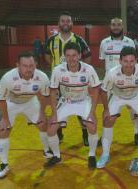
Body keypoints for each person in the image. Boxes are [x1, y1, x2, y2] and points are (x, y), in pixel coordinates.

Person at [96, 47, 138, 168]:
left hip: (136, 96)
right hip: (117, 96)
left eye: (131, 61)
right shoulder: (112, 73)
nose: (129, 65)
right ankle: (105, 154)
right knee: (108, 120)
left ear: (136, 60)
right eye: (125, 61)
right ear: (120, 61)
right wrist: (106, 110)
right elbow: (104, 91)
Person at [45, 42, 101, 168]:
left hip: (83, 101)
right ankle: (57, 156)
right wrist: (54, 113)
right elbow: (53, 91)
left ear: (80, 55)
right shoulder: (58, 70)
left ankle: (91, 155)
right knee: (51, 130)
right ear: (64, 57)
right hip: (66, 102)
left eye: (74, 55)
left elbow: (96, 89)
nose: (71, 59)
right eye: (68, 56)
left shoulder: (88, 69)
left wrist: (92, 112)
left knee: (92, 127)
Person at [0, 51, 50, 179]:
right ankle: (4, 164)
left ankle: (47, 151)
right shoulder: (7, 78)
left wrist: (42, 114)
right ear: (18, 66)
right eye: (25, 66)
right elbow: (1, 100)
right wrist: (4, 118)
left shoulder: (42, 77)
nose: (29, 69)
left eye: (31, 65)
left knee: (43, 124)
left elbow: (44, 97)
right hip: (10, 103)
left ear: (35, 64)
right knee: (3, 130)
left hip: (30, 102)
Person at [44, 11, 92, 144]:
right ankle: (59, 134)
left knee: (79, 106)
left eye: (68, 21)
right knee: (58, 107)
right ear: (59, 23)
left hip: (75, 81)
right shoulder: (51, 40)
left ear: (72, 23)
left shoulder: (78, 39)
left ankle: (85, 134)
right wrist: (58, 69)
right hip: (58, 82)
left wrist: (80, 73)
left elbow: (88, 56)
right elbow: (47, 56)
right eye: (63, 21)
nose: (65, 23)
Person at [99, 17, 138, 145]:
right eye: (113, 25)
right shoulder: (104, 43)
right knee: (108, 110)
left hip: (129, 80)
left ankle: (136, 132)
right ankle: (104, 135)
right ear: (110, 27)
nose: (116, 27)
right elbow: (102, 61)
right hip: (111, 83)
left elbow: (133, 61)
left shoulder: (129, 42)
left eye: (118, 25)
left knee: (133, 108)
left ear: (122, 27)